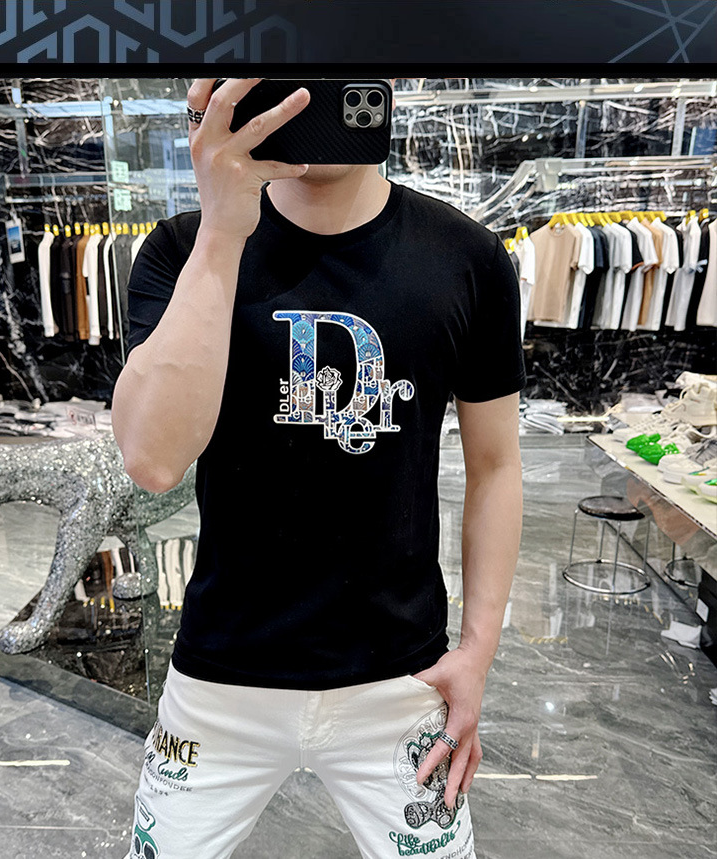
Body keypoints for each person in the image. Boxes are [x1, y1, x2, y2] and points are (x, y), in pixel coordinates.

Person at [112, 77, 525, 859]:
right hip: (221, 681)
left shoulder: (466, 257)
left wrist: (478, 652)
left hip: (401, 682)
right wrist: (223, 231)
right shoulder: (182, 248)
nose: (310, 98)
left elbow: (497, 464)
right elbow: (154, 460)